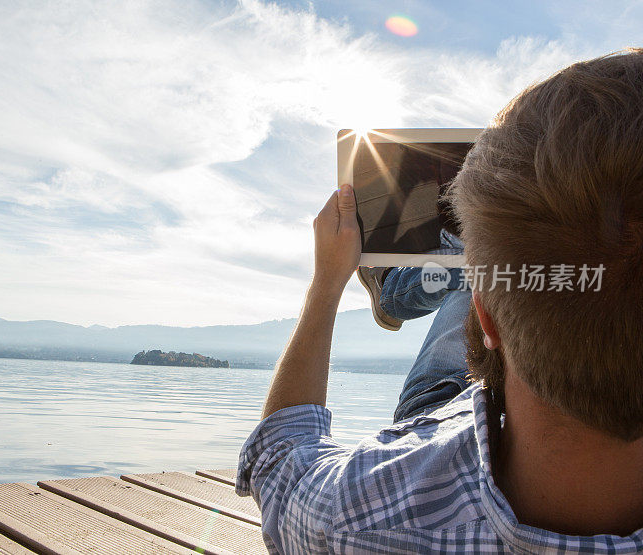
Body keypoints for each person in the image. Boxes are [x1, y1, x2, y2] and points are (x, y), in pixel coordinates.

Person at [235, 48, 643, 553]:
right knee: (494, 267)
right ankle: (452, 257)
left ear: (485, 321)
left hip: (451, 404)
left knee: (485, 266)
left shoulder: (357, 519)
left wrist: (326, 283)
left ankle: (436, 266)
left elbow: (280, 462)